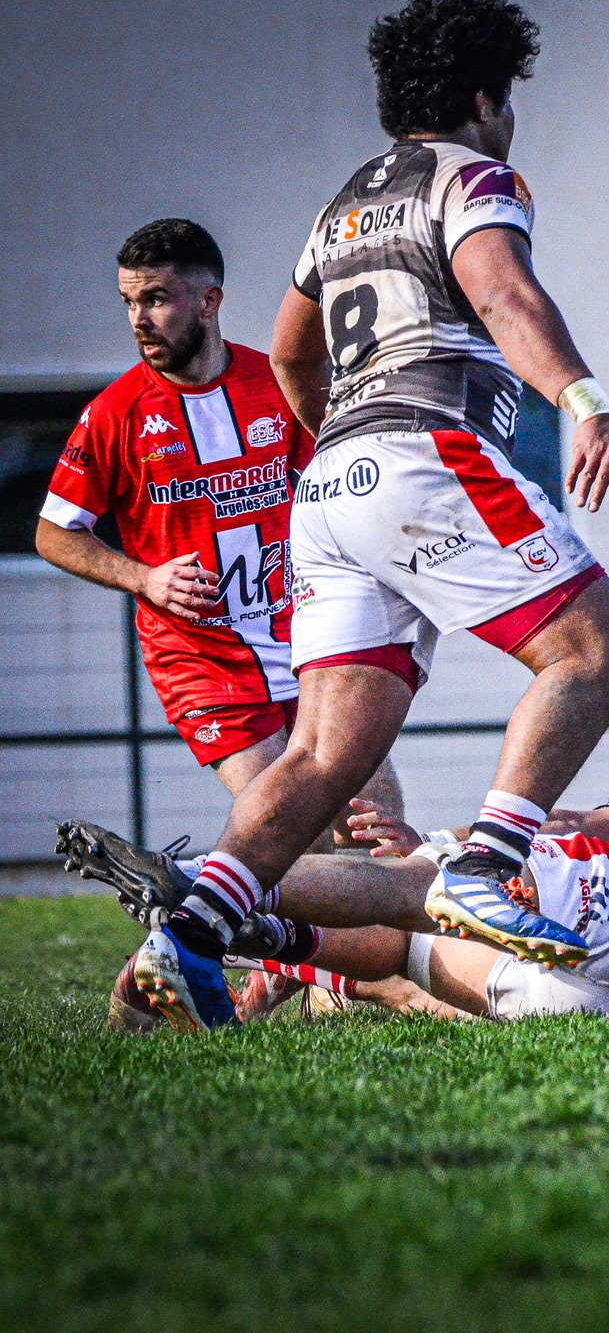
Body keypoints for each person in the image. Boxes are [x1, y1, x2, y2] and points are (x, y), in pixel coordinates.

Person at [130, 0, 609, 1030]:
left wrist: (339, 443)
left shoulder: (340, 207)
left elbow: (290, 349)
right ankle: (485, 868)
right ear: (485, 96)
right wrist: (584, 402)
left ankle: (183, 936)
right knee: (600, 654)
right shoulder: (475, 175)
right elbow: (504, 293)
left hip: (328, 486)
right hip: (422, 451)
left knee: (326, 755)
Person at [35, 217, 401, 1031]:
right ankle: (162, 969)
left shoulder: (278, 383)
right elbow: (54, 533)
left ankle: (275, 981)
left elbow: (337, 484)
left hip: (305, 638)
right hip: (203, 663)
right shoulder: (115, 414)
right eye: (130, 301)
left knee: (375, 824)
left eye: (157, 299)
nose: (140, 318)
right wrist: (143, 576)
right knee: (291, 830)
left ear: (210, 300)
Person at [61, 762, 609, 1026]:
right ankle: (275, 940)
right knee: (412, 954)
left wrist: (436, 842)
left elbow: (566, 824)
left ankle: (198, 883)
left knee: (434, 887)